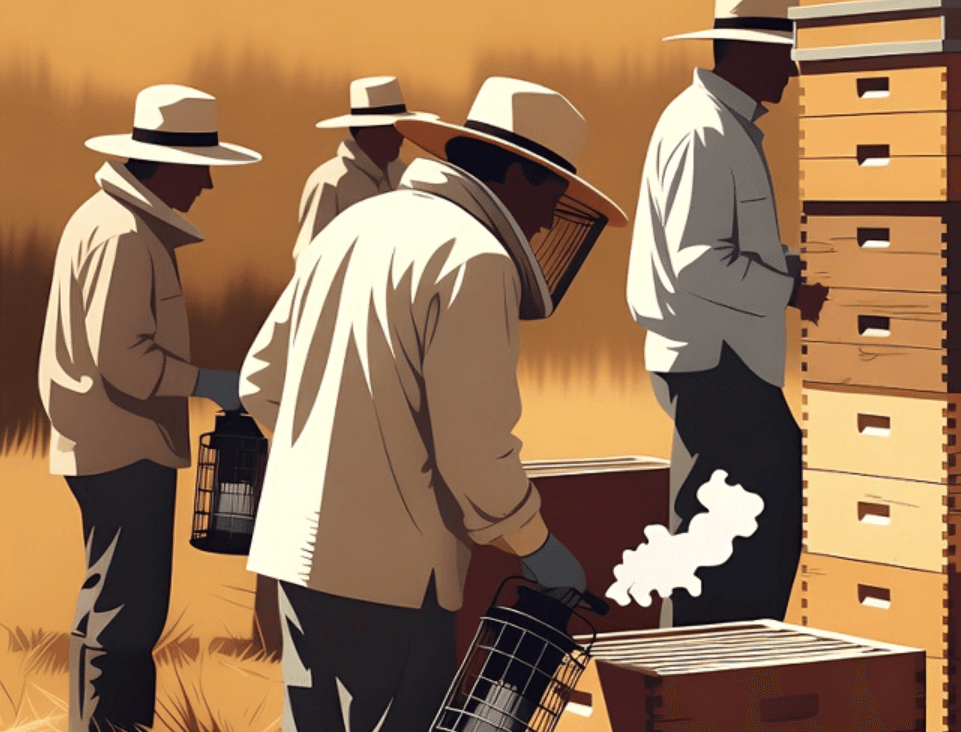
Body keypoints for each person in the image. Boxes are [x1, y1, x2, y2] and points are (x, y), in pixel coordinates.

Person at [239, 76, 627, 731]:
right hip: (393, 579)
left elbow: (261, 379)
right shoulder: (476, 259)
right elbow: (474, 450)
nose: (543, 222)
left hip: (294, 551)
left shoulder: (350, 226)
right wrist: (536, 544)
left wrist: (337, 460)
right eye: (550, 198)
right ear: (516, 174)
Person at [37, 84, 261, 732]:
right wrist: (211, 383)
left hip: (102, 442)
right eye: (200, 167)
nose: (208, 184)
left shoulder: (101, 220)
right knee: (128, 615)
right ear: (165, 165)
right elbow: (126, 362)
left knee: (110, 602)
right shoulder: (126, 236)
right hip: (126, 447)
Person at [626, 0, 829, 628]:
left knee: (735, 531)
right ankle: (710, 667)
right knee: (730, 543)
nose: (792, 70)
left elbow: (724, 248)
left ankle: (721, 661)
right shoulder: (705, 132)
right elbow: (697, 262)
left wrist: (788, 267)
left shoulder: (715, 126)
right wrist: (790, 290)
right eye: (784, 54)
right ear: (746, 52)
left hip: (721, 364)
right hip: (717, 366)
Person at [291, 76, 435, 259]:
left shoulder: (400, 173)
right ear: (366, 132)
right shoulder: (329, 182)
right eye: (390, 129)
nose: (400, 137)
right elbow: (308, 256)